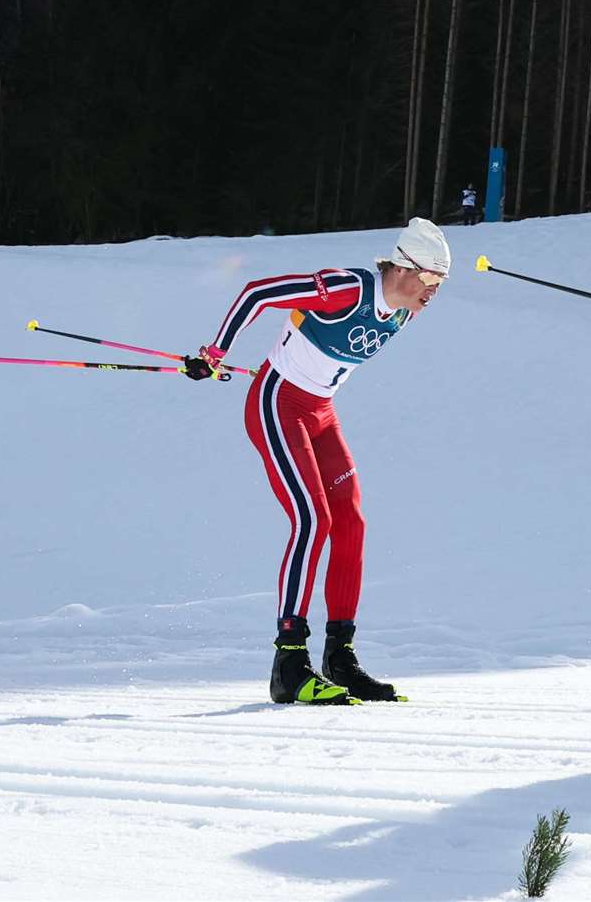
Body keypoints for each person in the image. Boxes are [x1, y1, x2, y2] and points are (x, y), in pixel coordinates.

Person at [185, 218, 452, 705]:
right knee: (313, 520)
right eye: (431, 278)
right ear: (403, 267)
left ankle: (340, 658)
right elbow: (257, 293)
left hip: (321, 412)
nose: (434, 291)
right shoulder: (347, 288)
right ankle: (289, 662)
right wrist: (216, 351)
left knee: (350, 522)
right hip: (278, 403)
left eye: (442, 282)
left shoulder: (405, 311)